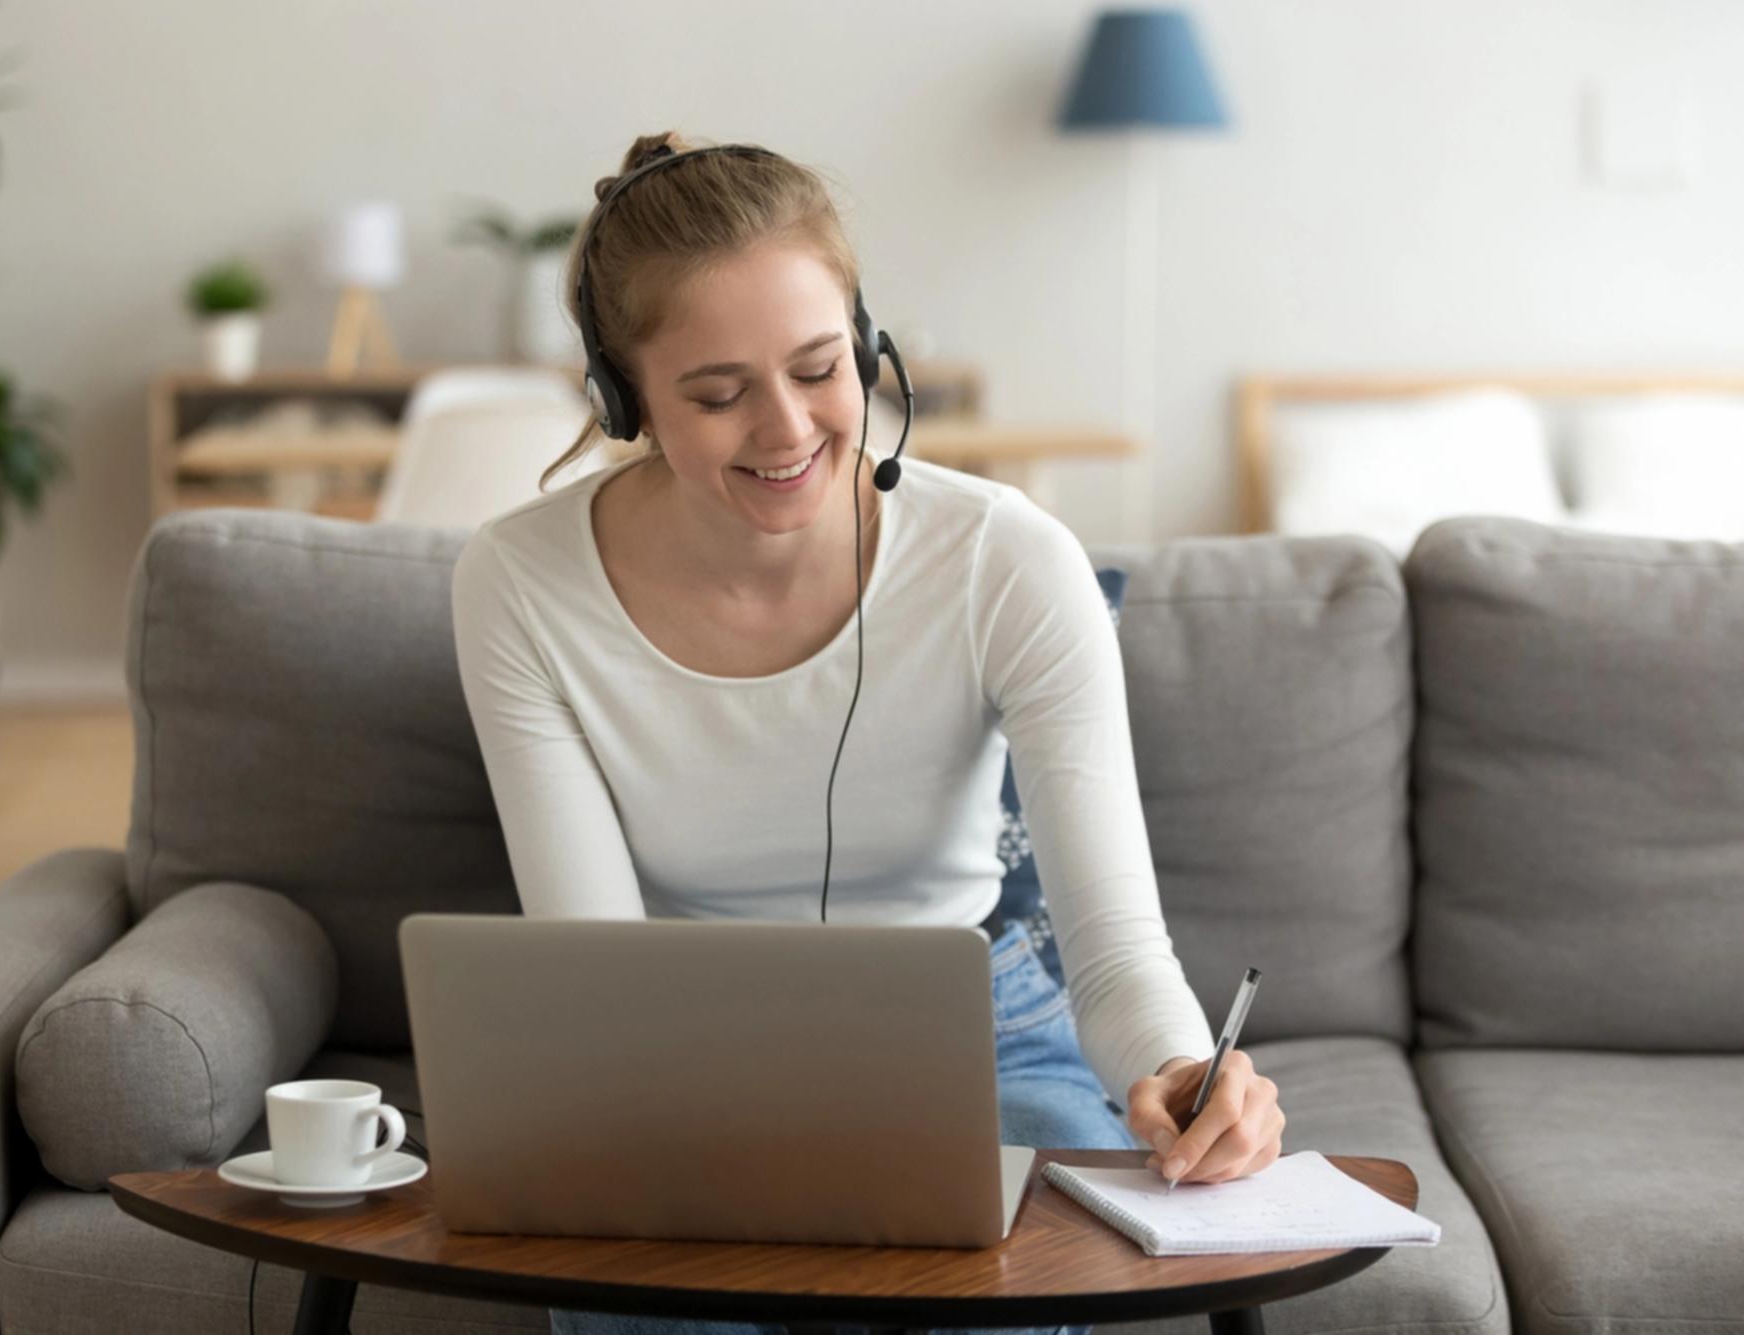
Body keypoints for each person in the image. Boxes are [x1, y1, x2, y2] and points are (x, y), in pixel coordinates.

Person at [450, 132, 1287, 1335]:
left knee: (1018, 1293)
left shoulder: (1007, 561)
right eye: (717, 392)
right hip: (673, 1056)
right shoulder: (521, 581)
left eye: (819, 366)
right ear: (621, 397)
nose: (786, 430)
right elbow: (598, 975)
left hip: (977, 1032)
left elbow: (1112, 956)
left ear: (870, 346)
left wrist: (1175, 1074)